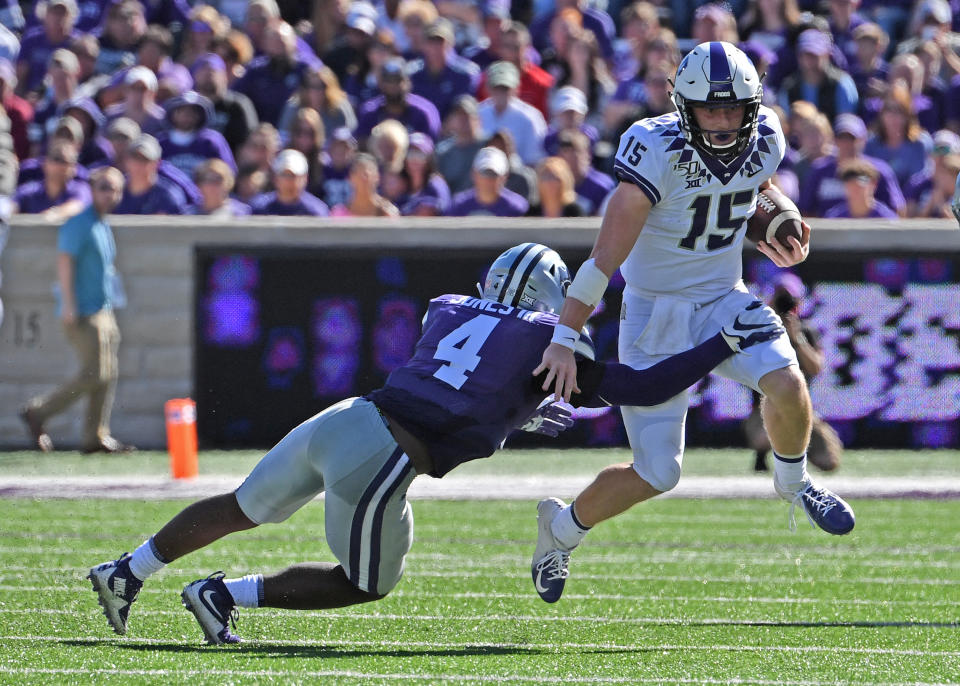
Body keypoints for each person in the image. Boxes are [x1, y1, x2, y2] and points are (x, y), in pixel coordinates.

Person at [87, 242, 782, 645]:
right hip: (386, 454)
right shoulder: (546, 336)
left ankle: (131, 568)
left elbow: (463, 379)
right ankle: (222, 594)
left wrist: (518, 412)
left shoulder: (450, 306)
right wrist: (720, 344)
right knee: (367, 582)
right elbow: (637, 388)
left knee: (244, 504)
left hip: (349, 415)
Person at [532, 41, 856, 604]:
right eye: (712, 109)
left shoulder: (767, 138)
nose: (725, 121)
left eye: (734, 109)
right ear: (684, 107)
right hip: (655, 312)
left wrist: (778, 218)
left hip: (723, 296)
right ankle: (560, 530)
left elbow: (749, 187)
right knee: (658, 472)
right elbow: (603, 260)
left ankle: (794, 482)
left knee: (788, 383)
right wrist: (565, 336)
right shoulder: (652, 150)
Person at [19, 166, 134, 455]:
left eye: (116, 189)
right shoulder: (79, 223)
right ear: (92, 188)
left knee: (107, 374)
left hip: (103, 309)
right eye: (105, 187)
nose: (111, 194)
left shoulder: (101, 223)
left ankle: (95, 436)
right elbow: (65, 262)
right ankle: (39, 411)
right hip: (83, 311)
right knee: (95, 373)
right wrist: (69, 303)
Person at [744, 273, 842, 473]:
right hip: (767, 408)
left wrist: (796, 339)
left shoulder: (806, 333)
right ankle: (765, 454)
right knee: (763, 437)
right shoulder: (758, 332)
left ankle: (797, 450)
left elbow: (816, 367)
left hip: (801, 410)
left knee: (828, 461)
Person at [476, 61, 546, 166]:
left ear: (516, 89)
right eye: (496, 88)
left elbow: (534, 160)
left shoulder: (530, 118)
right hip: (484, 175)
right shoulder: (477, 113)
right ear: (488, 89)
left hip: (518, 177)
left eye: (505, 89)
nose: (500, 93)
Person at [13, 138, 88, 218]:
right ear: (45, 163)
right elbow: (10, 207)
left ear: (75, 168)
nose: (60, 166)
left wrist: (52, 216)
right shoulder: (30, 191)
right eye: (56, 158)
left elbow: (77, 206)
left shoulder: (81, 189)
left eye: (66, 162)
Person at [113, 134, 187, 215]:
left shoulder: (168, 197)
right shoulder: (114, 190)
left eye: (145, 160)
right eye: (135, 158)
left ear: (157, 163)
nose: (138, 165)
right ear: (126, 160)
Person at [448, 146, 529, 217]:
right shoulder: (458, 205)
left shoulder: (518, 207)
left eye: (493, 174)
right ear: (474, 174)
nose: (488, 180)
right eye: (484, 173)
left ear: (505, 176)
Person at [249, 148, 330, 216]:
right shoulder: (259, 208)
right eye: (284, 175)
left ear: (305, 178)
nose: (289, 181)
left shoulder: (317, 212)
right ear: (275, 177)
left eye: (294, 176)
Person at [330, 152, 399, 217]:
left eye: (366, 174)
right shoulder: (338, 214)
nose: (363, 178)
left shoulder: (388, 214)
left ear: (377, 176)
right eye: (357, 172)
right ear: (349, 178)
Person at [825, 158, 898, 219]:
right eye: (850, 181)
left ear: (874, 184)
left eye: (862, 180)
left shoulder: (887, 220)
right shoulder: (834, 219)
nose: (855, 186)